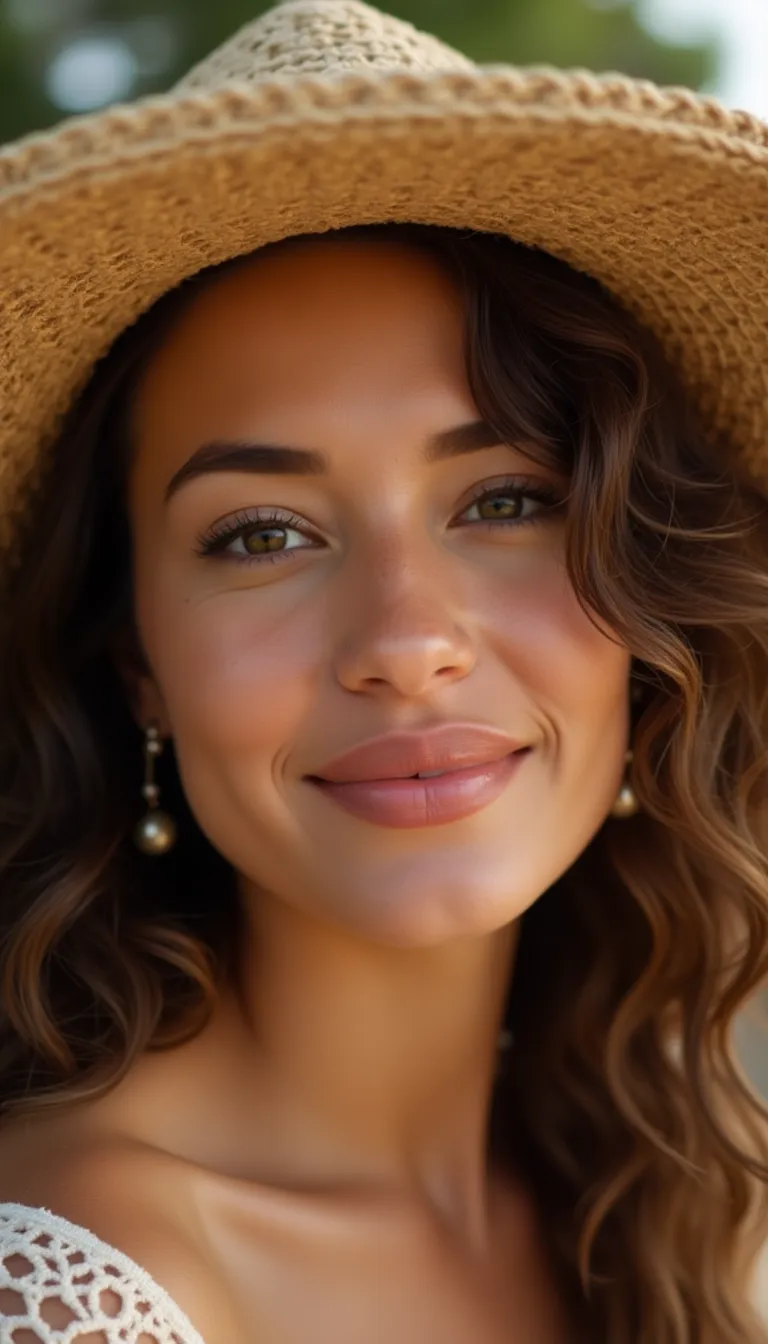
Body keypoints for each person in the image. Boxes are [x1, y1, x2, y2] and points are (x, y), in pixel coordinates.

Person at [0, 1, 767, 1341]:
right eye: (262, 534)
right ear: (138, 670)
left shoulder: (662, 1193)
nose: (407, 641)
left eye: (505, 502)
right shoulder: (69, 1293)